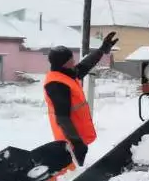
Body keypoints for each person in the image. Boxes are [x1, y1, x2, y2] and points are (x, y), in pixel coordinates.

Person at [43, 32, 118, 170]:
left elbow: (84, 65)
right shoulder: (57, 84)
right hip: (69, 140)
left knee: (77, 170)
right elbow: (62, 118)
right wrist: (76, 143)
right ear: (62, 64)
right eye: (70, 61)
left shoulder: (66, 74)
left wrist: (101, 50)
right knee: (70, 174)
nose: (73, 62)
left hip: (76, 136)